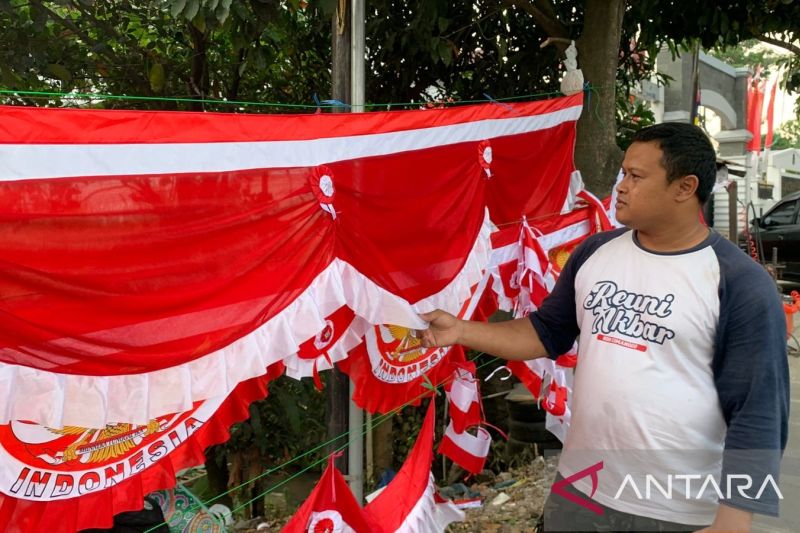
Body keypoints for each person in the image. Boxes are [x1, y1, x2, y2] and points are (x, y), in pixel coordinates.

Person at [420, 122, 789, 532]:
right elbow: (545, 332)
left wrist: (733, 523)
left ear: (684, 188)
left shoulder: (738, 283)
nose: (622, 186)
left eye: (636, 176)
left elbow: (759, 410)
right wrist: (459, 330)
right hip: (582, 486)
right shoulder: (596, 253)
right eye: (622, 174)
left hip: (675, 508)